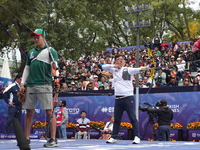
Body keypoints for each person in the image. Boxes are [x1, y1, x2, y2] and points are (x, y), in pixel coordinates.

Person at [19, 29, 59, 147]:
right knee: (29, 111)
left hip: (45, 84)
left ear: (44, 37)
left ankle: (53, 139)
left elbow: (55, 67)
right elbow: (27, 68)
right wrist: (22, 83)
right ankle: (26, 139)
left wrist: (56, 73)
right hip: (31, 85)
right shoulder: (31, 52)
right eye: (34, 37)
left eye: (38, 37)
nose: (36, 39)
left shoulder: (50, 51)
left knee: (49, 111)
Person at [102, 54, 151, 144]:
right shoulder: (113, 69)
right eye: (118, 59)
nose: (120, 61)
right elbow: (103, 67)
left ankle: (137, 137)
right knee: (116, 119)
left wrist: (148, 67)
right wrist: (114, 66)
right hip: (118, 98)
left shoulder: (128, 69)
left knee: (132, 118)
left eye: (122, 59)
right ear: (115, 61)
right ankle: (114, 137)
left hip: (128, 97)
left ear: (124, 61)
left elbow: (139, 69)